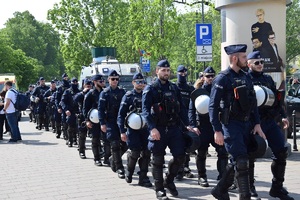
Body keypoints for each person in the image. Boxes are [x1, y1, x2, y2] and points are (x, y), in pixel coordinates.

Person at [209, 44, 265, 200]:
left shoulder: (246, 76)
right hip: (231, 124)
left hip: (246, 124)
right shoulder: (223, 78)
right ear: (234, 58)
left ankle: (220, 189)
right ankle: (244, 196)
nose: (246, 60)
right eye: (243, 57)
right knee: (240, 161)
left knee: (240, 160)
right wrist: (217, 130)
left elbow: (252, 103)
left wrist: (257, 123)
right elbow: (213, 106)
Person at [142, 59, 196, 200]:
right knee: (158, 160)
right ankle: (159, 189)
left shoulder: (173, 88)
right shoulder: (151, 89)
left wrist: (188, 124)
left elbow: (182, 109)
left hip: (173, 128)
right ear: (157, 71)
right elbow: (145, 111)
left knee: (180, 157)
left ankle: (169, 181)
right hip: (158, 128)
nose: (166, 73)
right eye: (163, 70)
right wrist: (152, 128)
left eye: (168, 70)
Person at [247, 51, 294, 200]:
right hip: (252, 123)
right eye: (257, 62)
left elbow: (276, 100)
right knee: (251, 154)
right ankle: (249, 187)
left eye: (262, 62)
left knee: (281, 151)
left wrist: (283, 116)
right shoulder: (245, 79)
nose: (260, 65)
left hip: (269, 121)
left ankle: (277, 187)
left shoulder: (267, 79)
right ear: (249, 64)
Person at [189, 66, 228, 187]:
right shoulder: (198, 91)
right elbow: (191, 110)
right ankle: (202, 176)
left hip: (216, 125)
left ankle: (222, 176)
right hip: (203, 126)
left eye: (212, 76)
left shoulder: (219, 89)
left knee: (222, 151)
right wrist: (193, 126)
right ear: (203, 77)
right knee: (202, 152)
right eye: (208, 76)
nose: (210, 78)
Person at [117, 72, 152, 187]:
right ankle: (129, 171)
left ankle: (143, 177)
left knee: (146, 153)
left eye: (142, 82)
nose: (140, 84)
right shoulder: (128, 96)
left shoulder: (147, 94)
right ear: (133, 83)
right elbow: (121, 115)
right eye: (138, 82)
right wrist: (122, 131)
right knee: (135, 152)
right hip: (132, 129)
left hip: (145, 129)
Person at [98, 70, 127, 178]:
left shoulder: (122, 92)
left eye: (116, 79)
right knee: (114, 144)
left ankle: (113, 158)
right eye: (112, 79)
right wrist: (102, 123)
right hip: (110, 121)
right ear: (108, 80)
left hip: (121, 121)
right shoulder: (104, 93)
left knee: (125, 144)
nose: (115, 81)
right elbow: (100, 109)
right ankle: (120, 168)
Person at [175, 65, 195, 180]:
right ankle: (178, 169)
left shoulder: (190, 89)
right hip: (176, 120)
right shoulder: (174, 88)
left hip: (187, 120)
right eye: (180, 73)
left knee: (187, 144)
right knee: (178, 146)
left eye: (184, 73)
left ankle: (185, 167)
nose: (183, 75)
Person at [82, 76, 105, 164]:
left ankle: (106, 158)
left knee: (106, 140)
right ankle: (97, 158)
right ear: (95, 82)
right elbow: (85, 108)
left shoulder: (105, 92)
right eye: (101, 81)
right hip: (94, 120)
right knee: (95, 139)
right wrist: (87, 120)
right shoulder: (90, 94)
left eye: (103, 80)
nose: (103, 82)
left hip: (104, 119)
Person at [61, 78, 80, 147]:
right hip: (70, 111)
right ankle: (70, 140)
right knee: (70, 126)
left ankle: (75, 139)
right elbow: (62, 101)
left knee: (77, 126)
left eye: (76, 82)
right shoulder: (67, 91)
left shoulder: (79, 91)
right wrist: (66, 110)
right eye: (74, 82)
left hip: (77, 111)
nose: (75, 83)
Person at [55, 73, 70, 139]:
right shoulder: (60, 88)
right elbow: (57, 98)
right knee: (63, 121)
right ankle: (64, 134)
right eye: (64, 77)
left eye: (66, 77)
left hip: (70, 106)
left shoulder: (70, 86)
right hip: (62, 106)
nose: (66, 78)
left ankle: (70, 136)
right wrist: (58, 107)